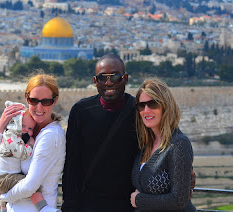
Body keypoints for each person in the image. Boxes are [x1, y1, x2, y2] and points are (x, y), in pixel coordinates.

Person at [62, 54, 196, 212]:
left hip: (128, 205)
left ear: (125, 78)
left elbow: (168, 144)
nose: (109, 82)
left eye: (115, 76)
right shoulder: (81, 111)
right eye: (102, 78)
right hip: (89, 204)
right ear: (95, 81)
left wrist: (185, 176)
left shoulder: (138, 110)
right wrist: (69, 204)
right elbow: (72, 164)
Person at [0, 73, 66, 212]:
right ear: (27, 98)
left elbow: (30, 186)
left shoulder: (51, 136)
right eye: (34, 100)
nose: (39, 107)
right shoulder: (27, 133)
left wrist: (5, 196)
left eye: (46, 101)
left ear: (55, 101)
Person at [130, 77, 196, 211]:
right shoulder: (145, 145)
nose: (146, 110)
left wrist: (138, 200)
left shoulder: (178, 144)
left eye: (152, 104)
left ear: (165, 106)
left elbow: (179, 200)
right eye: (141, 106)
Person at [0, 101, 36, 212]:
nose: (26, 130)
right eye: (23, 126)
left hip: (14, 196)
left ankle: (3, 207)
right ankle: (44, 207)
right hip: (6, 181)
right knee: (32, 184)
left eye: (30, 128)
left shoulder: (20, 138)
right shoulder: (12, 138)